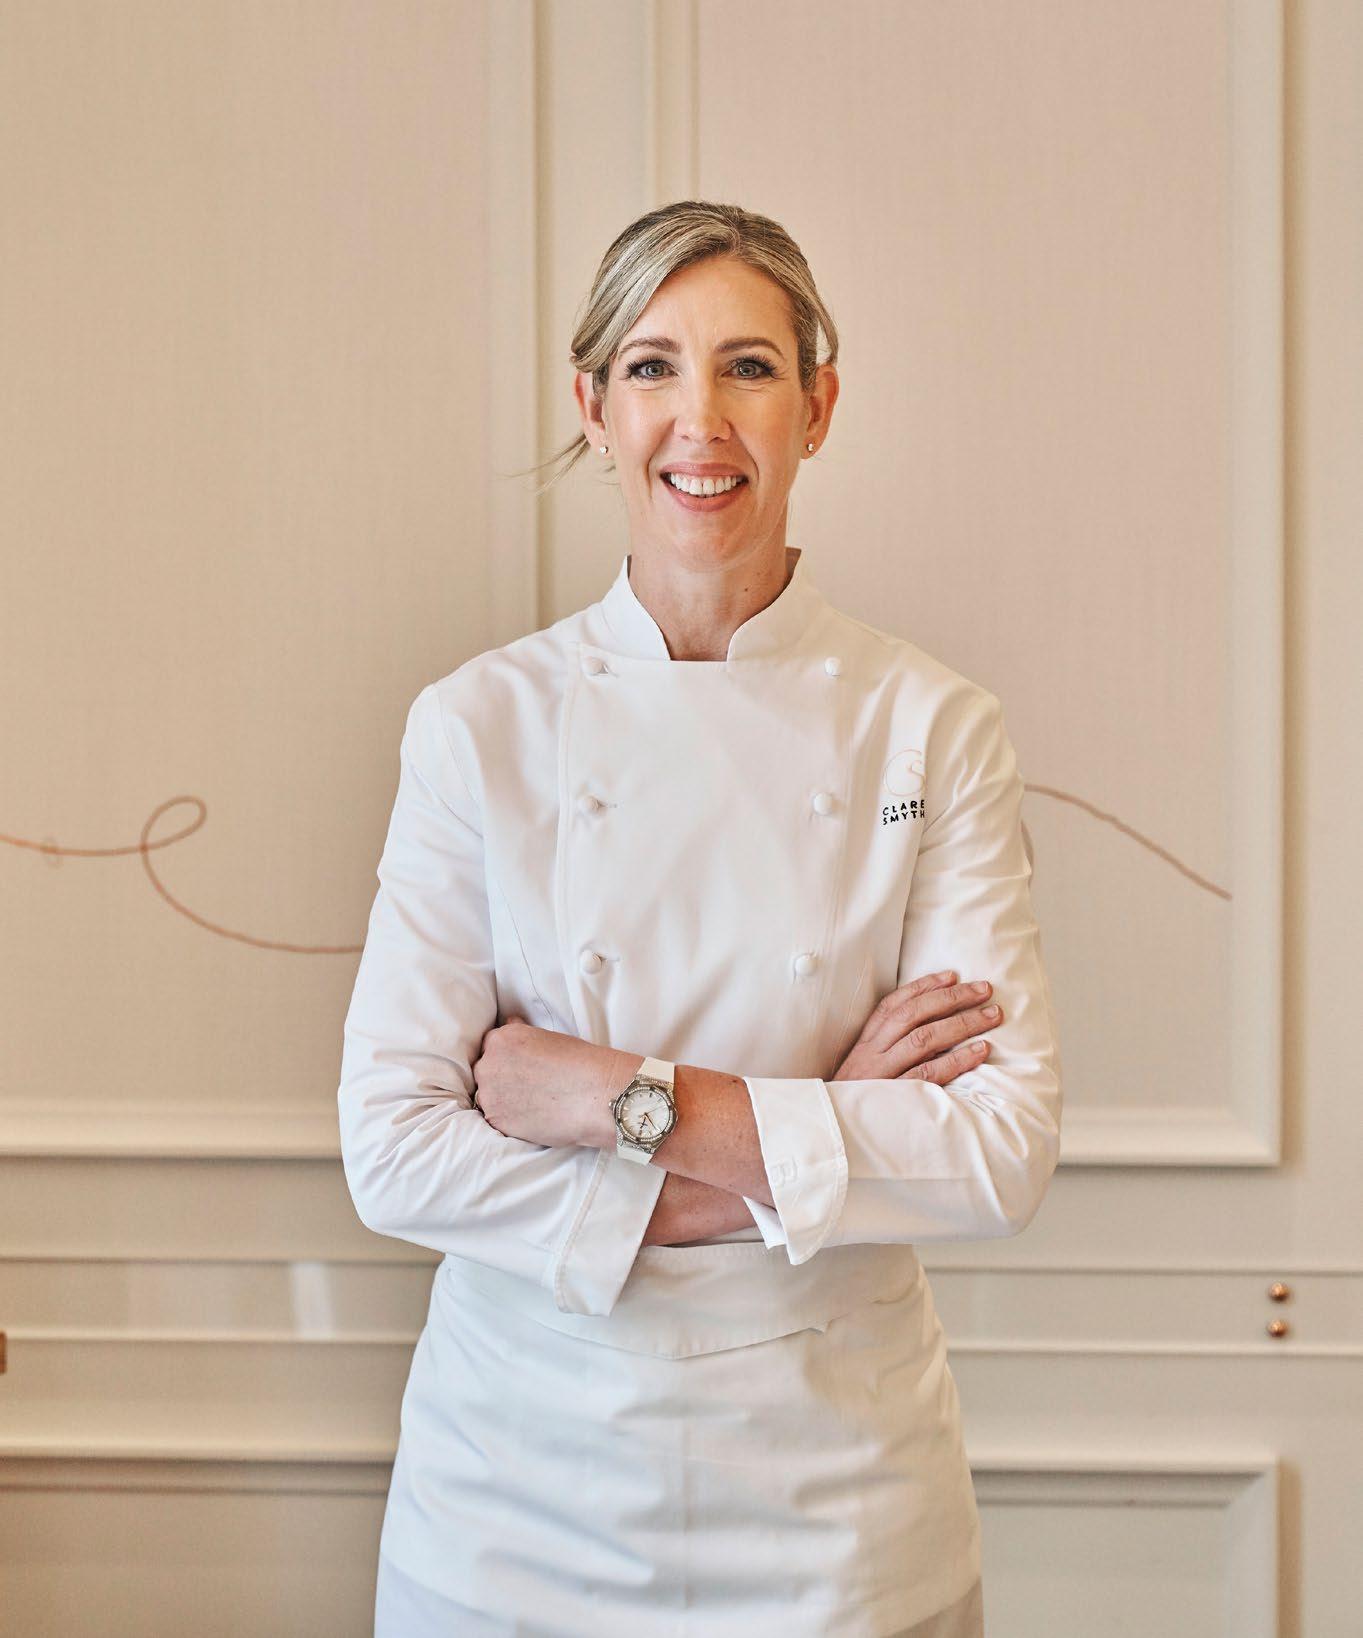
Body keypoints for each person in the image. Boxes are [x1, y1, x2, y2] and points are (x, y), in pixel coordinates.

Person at [338, 199, 1063, 1637]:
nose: (701, 421)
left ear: (818, 406)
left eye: (750, 367)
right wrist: (813, 1137)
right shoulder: (477, 727)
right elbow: (395, 1151)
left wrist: (609, 1095)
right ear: (593, 406)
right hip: (517, 1486)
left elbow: (998, 1150)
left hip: (840, 1500)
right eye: (653, 367)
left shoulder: (933, 728)